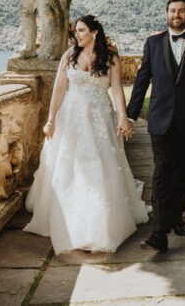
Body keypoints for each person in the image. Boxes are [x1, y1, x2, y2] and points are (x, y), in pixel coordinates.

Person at [23, 15, 148, 254]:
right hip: (70, 117)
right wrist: (51, 120)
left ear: (95, 32)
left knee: (99, 166)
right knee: (69, 166)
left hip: (99, 116)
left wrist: (123, 116)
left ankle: (98, 224)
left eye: (81, 31)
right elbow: (59, 90)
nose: (77, 35)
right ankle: (69, 220)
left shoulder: (110, 58)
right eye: (75, 31)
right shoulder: (69, 56)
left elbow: (118, 90)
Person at [126, 0, 185, 253]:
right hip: (160, 121)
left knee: (181, 173)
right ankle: (159, 234)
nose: (177, 15)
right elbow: (142, 80)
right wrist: (131, 115)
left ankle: (176, 217)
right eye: (172, 11)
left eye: (181, 11)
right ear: (166, 14)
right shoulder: (152, 43)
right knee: (162, 173)